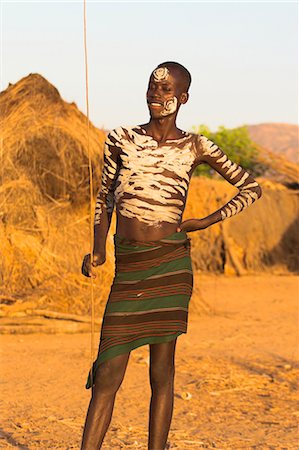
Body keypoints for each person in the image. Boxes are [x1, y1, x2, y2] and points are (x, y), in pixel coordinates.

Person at [80, 61, 262, 450]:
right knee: (108, 371)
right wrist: (97, 250)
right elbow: (104, 197)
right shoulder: (121, 138)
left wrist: (205, 220)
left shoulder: (196, 146)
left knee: (162, 372)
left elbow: (251, 187)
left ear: (183, 98)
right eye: (152, 87)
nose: (156, 95)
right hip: (129, 266)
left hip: (170, 264)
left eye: (165, 90)